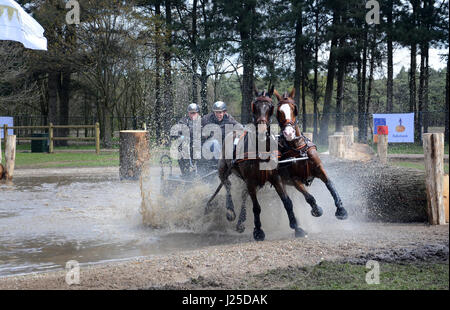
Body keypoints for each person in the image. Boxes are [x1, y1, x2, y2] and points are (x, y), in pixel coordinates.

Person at [177, 103, 201, 177]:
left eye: (194, 113)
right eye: (191, 113)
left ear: (197, 113)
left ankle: (198, 170)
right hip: (187, 144)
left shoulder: (202, 120)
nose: (192, 115)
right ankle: (187, 171)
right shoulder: (184, 120)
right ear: (188, 113)